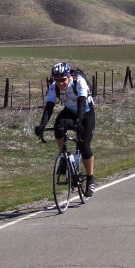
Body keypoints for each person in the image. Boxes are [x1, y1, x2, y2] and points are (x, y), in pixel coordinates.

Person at [36, 62, 96, 197]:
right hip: (70, 111)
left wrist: (79, 122)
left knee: (84, 146)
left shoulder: (79, 82)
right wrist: (42, 125)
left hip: (86, 113)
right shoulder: (54, 87)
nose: (60, 83)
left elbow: (81, 102)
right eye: (57, 80)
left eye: (62, 80)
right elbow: (49, 107)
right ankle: (63, 156)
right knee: (59, 126)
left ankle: (90, 179)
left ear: (68, 76)